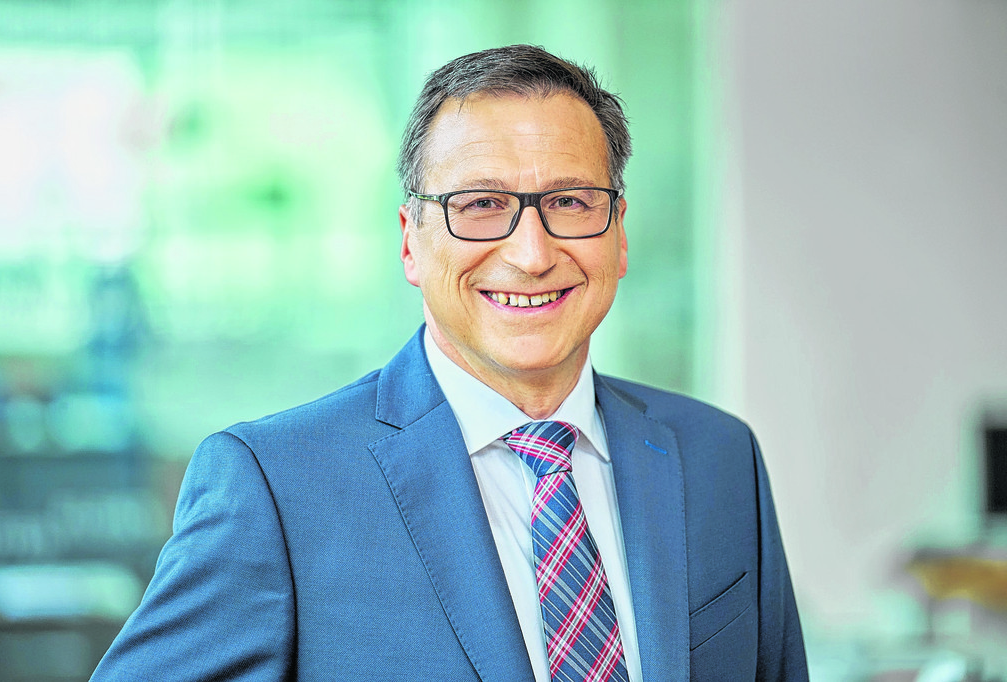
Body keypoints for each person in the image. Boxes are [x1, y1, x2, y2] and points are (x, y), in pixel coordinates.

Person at [91, 44, 807, 681]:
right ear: (411, 241)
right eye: (482, 204)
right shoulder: (275, 486)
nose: (532, 254)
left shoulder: (718, 457)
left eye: (570, 201)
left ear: (618, 235)